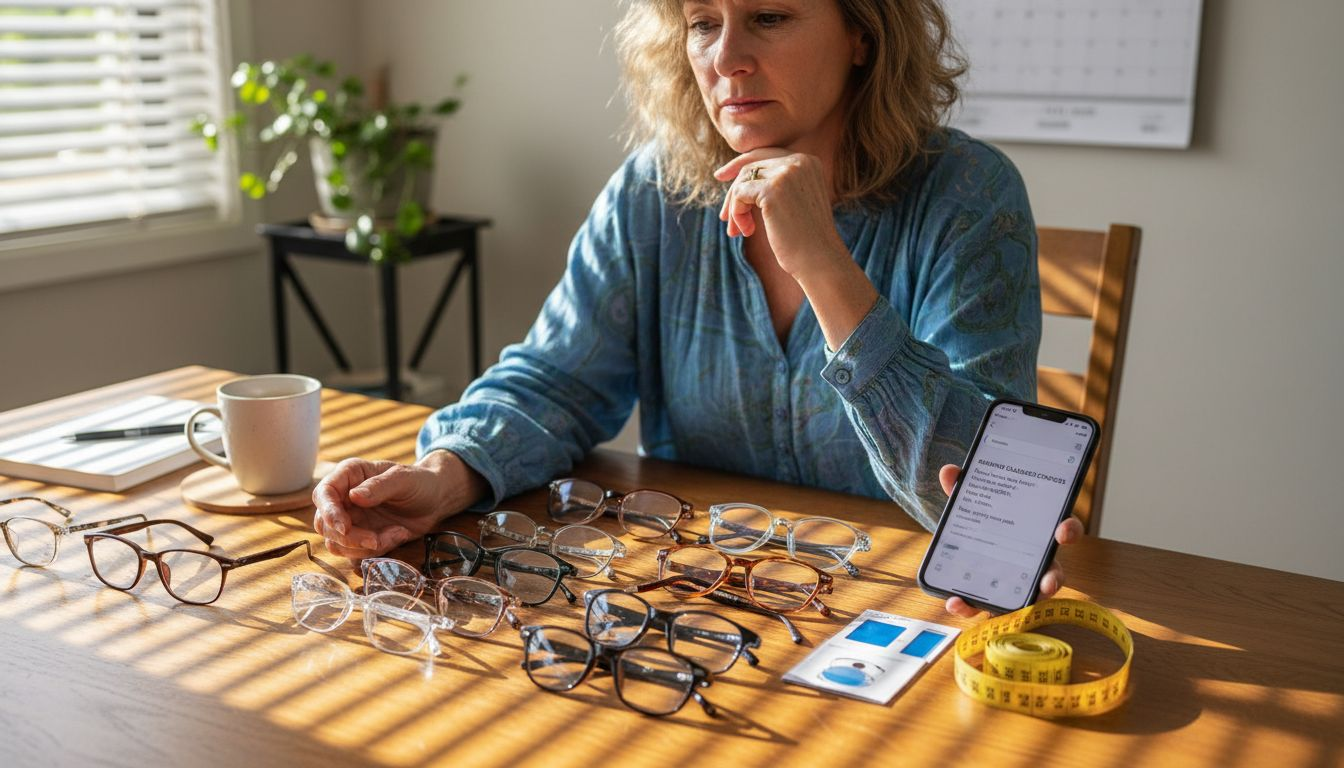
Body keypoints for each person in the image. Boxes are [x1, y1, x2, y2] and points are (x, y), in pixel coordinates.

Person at [312, 0, 1083, 617]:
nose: (726, 59)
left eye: (770, 18)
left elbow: (985, 504)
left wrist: (823, 263)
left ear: (861, 32)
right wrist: (445, 476)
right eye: (703, 24)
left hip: (890, 610)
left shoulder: (969, 195)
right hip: (695, 602)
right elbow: (556, 382)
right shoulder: (654, 192)